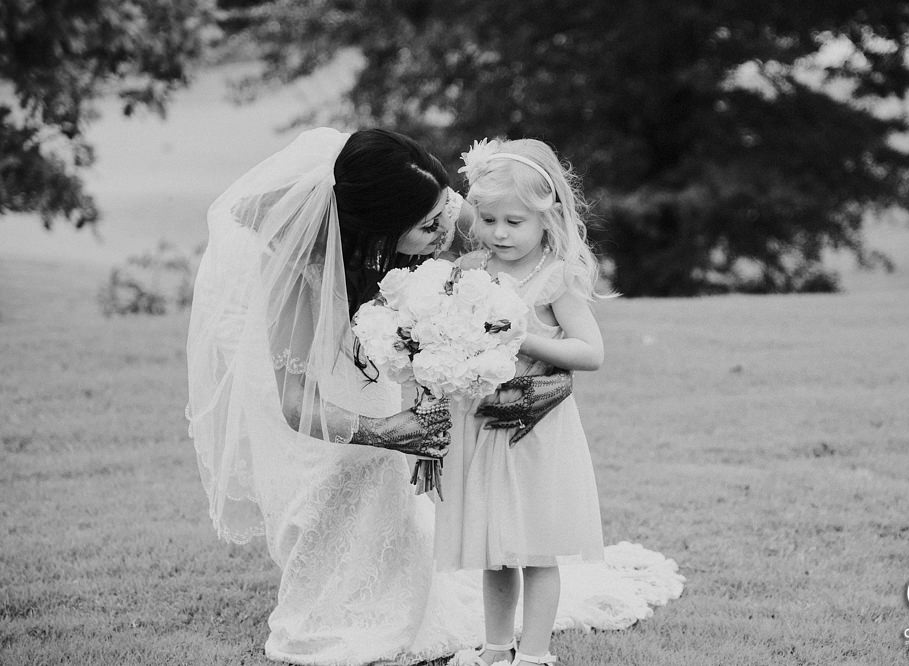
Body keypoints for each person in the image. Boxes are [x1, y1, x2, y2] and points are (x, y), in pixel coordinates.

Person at [185, 127, 574, 665]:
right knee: (340, 483)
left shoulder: (429, 201)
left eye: (446, 211)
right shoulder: (300, 270)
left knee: (400, 497)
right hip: (311, 369)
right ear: (375, 233)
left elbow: (540, 251)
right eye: (427, 227)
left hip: (381, 347)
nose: (449, 229)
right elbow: (296, 403)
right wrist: (387, 432)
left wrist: (556, 370)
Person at [434, 138, 638, 666]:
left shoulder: (556, 277)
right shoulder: (472, 268)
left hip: (538, 429)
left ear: (547, 218)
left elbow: (589, 352)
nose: (499, 233)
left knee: (537, 550)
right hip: (485, 425)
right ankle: (496, 648)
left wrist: (524, 337)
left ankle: (535, 653)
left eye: (514, 222)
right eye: (488, 218)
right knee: (495, 552)